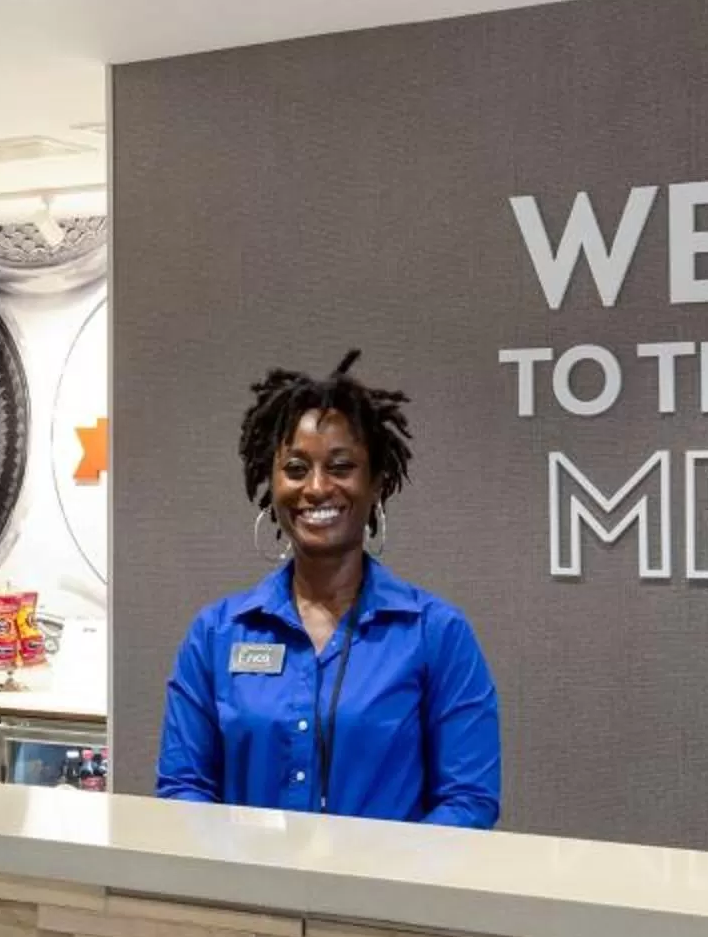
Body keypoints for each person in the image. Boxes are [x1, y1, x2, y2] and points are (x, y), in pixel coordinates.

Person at [157, 352, 501, 827]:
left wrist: (377, 881)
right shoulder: (216, 634)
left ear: (377, 483)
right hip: (247, 896)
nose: (317, 488)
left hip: (382, 898)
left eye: (341, 467)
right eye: (296, 469)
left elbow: (469, 800)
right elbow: (182, 786)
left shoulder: (436, 634)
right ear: (270, 484)